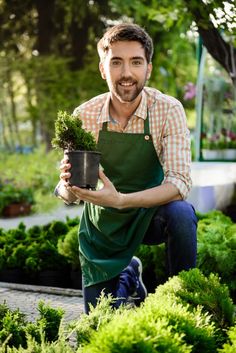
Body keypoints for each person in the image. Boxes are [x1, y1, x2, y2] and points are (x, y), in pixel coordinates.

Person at [55, 23, 198, 314]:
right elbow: (68, 193)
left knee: (181, 214)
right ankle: (129, 273)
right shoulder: (85, 115)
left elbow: (180, 183)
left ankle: (182, 299)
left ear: (149, 68)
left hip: (151, 213)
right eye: (116, 62)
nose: (126, 73)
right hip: (105, 224)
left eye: (136, 62)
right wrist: (67, 187)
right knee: (101, 322)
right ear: (102, 69)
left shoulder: (168, 110)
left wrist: (122, 200)